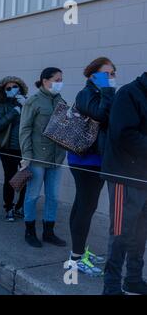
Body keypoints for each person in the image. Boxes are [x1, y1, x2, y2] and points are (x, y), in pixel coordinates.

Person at [66, 58, 117, 277]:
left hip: (93, 159)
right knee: (85, 207)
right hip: (85, 160)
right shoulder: (86, 93)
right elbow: (101, 115)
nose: (111, 78)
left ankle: (77, 252)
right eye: (107, 74)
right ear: (93, 76)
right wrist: (107, 90)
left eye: (113, 73)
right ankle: (76, 260)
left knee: (83, 206)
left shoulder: (98, 93)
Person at [101, 72, 147, 295]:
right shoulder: (129, 94)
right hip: (124, 177)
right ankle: (111, 285)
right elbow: (124, 134)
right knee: (120, 232)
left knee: (141, 231)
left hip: (144, 177)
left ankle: (134, 279)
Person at [19, 67, 67, 248]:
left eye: (61, 79)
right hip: (38, 158)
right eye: (57, 79)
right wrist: (27, 155)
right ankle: (29, 231)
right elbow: (24, 129)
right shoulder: (34, 101)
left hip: (56, 158)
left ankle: (49, 232)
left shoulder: (60, 101)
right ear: (45, 81)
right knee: (32, 195)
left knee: (53, 196)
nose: (60, 83)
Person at [0, 76, 29, 222]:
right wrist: (15, 111)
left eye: (15, 86)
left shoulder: (27, 102)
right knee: (9, 177)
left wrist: (26, 106)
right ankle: (9, 207)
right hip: (8, 148)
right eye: (8, 88)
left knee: (25, 177)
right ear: (3, 90)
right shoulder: (1, 105)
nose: (12, 90)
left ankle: (20, 206)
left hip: (25, 147)